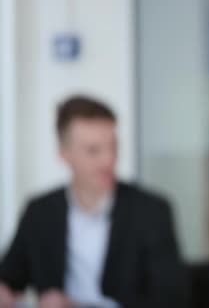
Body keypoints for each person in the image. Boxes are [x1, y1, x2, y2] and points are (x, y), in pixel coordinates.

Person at [0, 95, 188, 308]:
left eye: (113, 147)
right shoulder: (40, 211)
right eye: (93, 150)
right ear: (64, 154)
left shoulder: (152, 211)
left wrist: (80, 306)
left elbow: (172, 299)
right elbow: (10, 275)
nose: (108, 159)